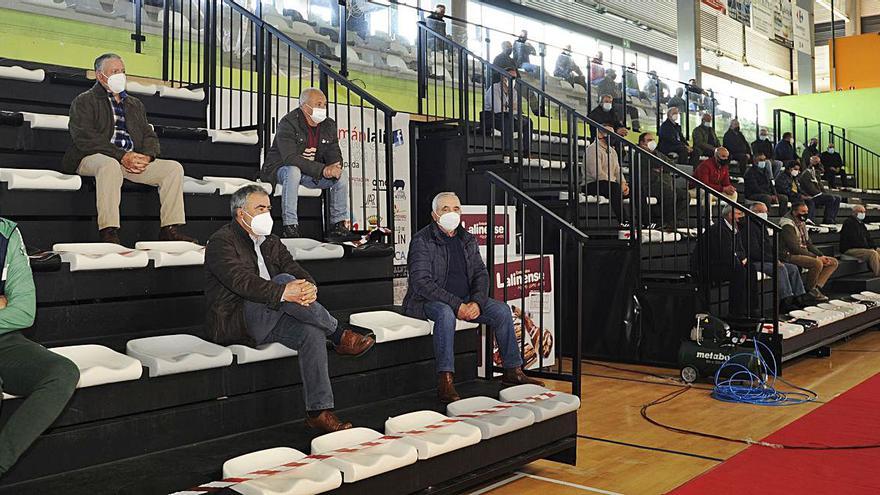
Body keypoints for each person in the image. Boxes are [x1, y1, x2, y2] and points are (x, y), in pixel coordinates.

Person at [204, 185, 375, 433]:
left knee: (311, 333)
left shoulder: (271, 241)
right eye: (260, 208)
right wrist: (284, 291)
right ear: (241, 214)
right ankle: (339, 334)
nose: (267, 214)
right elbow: (241, 282)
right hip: (237, 319)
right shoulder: (221, 241)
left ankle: (318, 411)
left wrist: (310, 287)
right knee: (284, 281)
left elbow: (296, 270)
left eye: (269, 208)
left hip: (273, 313)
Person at [403, 192, 544, 402]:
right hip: (428, 301)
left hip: (466, 299)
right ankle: (445, 380)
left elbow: (481, 273)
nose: (452, 213)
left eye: (456, 209)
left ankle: (512, 371)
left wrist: (477, 302)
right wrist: (457, 305)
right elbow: (421, 283)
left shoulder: (466, 238)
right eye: (445, 209)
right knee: (445, 313)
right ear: (434, 215)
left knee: (501, 310)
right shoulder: (422, 240)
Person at [63, 53, 195, 245]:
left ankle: (170, 229)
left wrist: (147, 157)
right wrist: (121, 155)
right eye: (115, 71)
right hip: (92, 157)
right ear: (100, 76)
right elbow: (85, 138)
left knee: (173, 168)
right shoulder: (84, 101)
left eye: (123, 71)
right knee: (109, 165)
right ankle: (108, 231)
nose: (121, 75)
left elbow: (149, 135)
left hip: (128, 161)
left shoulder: (134, 104)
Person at [0, 217, 79, 478]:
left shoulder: (6, 231)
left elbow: (23, 312)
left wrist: (8, 304)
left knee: (62, 372)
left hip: (5, 340)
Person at [262, 88, 355, 241]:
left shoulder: (328, 125)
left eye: (325, 105)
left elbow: (334, 152)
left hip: (310, 172)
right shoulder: (288, 123)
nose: (323, 109)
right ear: (305, 107)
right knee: (293, 170)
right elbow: (290, 158)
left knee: (341, 175)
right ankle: (290, 226)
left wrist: (334, 167)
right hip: (279, 170)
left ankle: (338, 226)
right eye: (319, 104)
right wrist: (323, 169)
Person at [744, 202, 808, 312]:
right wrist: (773, 260)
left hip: (766, 259)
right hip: (754, 261)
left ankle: (799, 297)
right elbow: (753, 252)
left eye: (765, 211)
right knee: (780, 268)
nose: (764, 214)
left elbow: (768, 248)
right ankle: (785, 300)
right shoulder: (748, 227)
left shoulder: (762, 225)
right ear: (752, 212)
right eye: (760, 211)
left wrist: (775, 258)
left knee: (792, 268)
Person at [703, 204, 759, 318]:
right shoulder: (718, 229)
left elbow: (741, 250)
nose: (741, 216)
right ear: (730, 215)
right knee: (739, 271)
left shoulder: (735, 229)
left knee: (751, 268)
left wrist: (741, 258)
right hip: (713, 265)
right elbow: (724, 253)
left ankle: (752, 308)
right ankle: (736, 312)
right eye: (739, 214)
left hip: (729, 261)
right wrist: (739, 258)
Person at [779, 202, 838, 300]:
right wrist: (816, 257)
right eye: (803, 211)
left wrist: (821, 255)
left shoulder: (802, 222)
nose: (805, 214)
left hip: (801, 252)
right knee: (817, 263)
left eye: (807, 211)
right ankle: (810, 291)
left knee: (833, 262)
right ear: (794, 212)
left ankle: (817, 287)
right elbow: (794, 248)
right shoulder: (787, 225)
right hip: (788, 255)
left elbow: (809, 244)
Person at [638, 132, 689, 229]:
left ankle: (677, 221)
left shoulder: (657, 153)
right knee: (668, 192)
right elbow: (652, 165)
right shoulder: (638, 153)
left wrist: (661, 168)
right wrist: (660, 167)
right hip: (649, 184)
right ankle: (666, 222)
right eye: (649, 140)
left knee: (685, 195)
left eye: (653, 140)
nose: (652, 142)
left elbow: (672, 166)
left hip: (664, 184)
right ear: (641, 143)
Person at [583, 125, 629, 224]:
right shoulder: (592, 149)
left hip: (611, 185)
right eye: (608, 133)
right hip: (592, 184)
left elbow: (617, 170)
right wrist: (616, 185)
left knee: (638, 189)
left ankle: (645, 223)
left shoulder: (613, 151)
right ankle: (624, 221)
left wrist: (623, 183)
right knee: (614, 187)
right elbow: (597, 174)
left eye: (613, 133)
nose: (611, 136)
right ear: (599, 134)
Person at [484, 66, 532, 156]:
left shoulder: (514, 92)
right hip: (492, 117)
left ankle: (527, 152)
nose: (513, 80)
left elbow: (516, 110)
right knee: (507, 119)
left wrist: (508, 108)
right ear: (503, 77)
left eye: (515, 78)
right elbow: (498, 109)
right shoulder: (494, 88)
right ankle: (507, 151)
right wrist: (511, 107)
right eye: (511, 77)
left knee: (528, 122)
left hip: (507, 117)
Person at [798, 155, 841, 224]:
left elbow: (820, 186)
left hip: (818, 195)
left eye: (819, 162)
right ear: (811, 162)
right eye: (816, 162)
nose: (819, 164)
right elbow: (810, 189)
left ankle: (831, 218)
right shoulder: (806, 173)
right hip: (811, 196)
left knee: (838, 198)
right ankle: (827, 219)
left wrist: (824, 193)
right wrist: (822, 194)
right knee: (830, 198)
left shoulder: (815, 173)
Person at [840, 205, 880, 276]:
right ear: (854, 212)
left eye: (864, 212)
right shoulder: (849, 223)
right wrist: (868, 248)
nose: (863, 213)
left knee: (878, 250)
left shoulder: (861, 224)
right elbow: (854, 240)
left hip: (861, 247)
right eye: (860, 212)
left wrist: (874, 247)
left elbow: (868, 238)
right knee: (872, 253)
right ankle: (877, 273)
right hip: (850, 249)